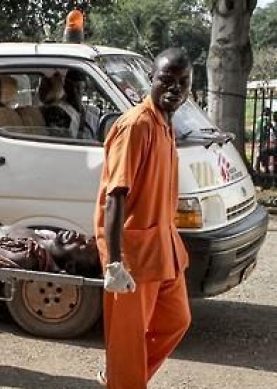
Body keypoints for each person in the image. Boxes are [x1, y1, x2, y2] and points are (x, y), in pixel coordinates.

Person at [93, 48, 193, 389]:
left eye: (183, 82)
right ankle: (124, 379)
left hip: (164, 249)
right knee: (127, 343)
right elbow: (114, 197)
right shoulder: (136, 125)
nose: (175, 88)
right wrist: (114, 264)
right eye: (167, 80)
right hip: (133, 256)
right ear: (150, 80)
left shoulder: (165, 124)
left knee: (176, 320)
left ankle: (121, 379)